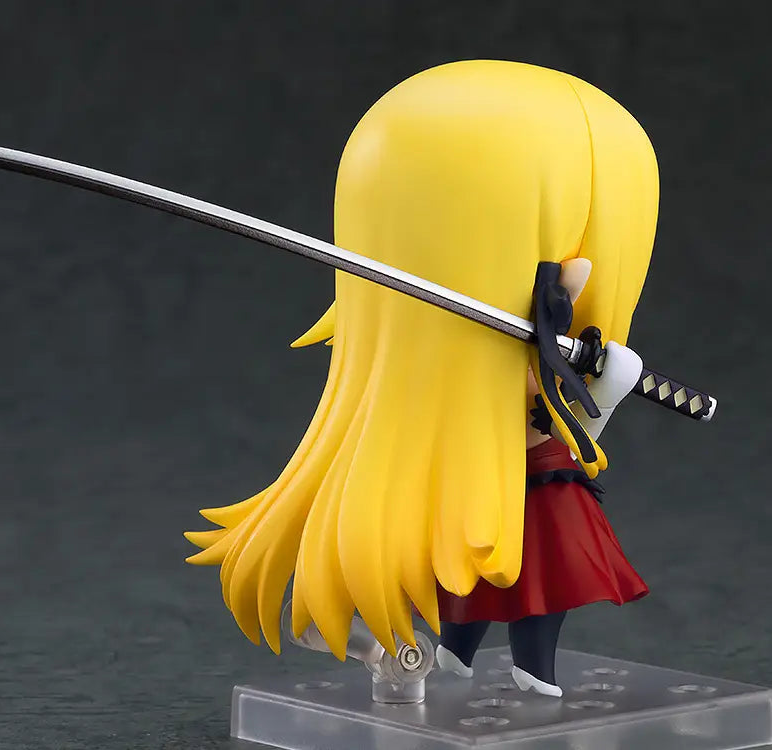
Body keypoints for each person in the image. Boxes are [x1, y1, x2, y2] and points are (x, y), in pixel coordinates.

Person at [185, 59, 658, 697]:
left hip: (534, 474)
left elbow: (575, 432)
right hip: (482, 478)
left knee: (537, 567)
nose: (576, 274)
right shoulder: (411, 438)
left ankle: (504, 662)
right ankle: (451, 653)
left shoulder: (553, 362)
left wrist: (605, 387)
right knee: (475, 565)